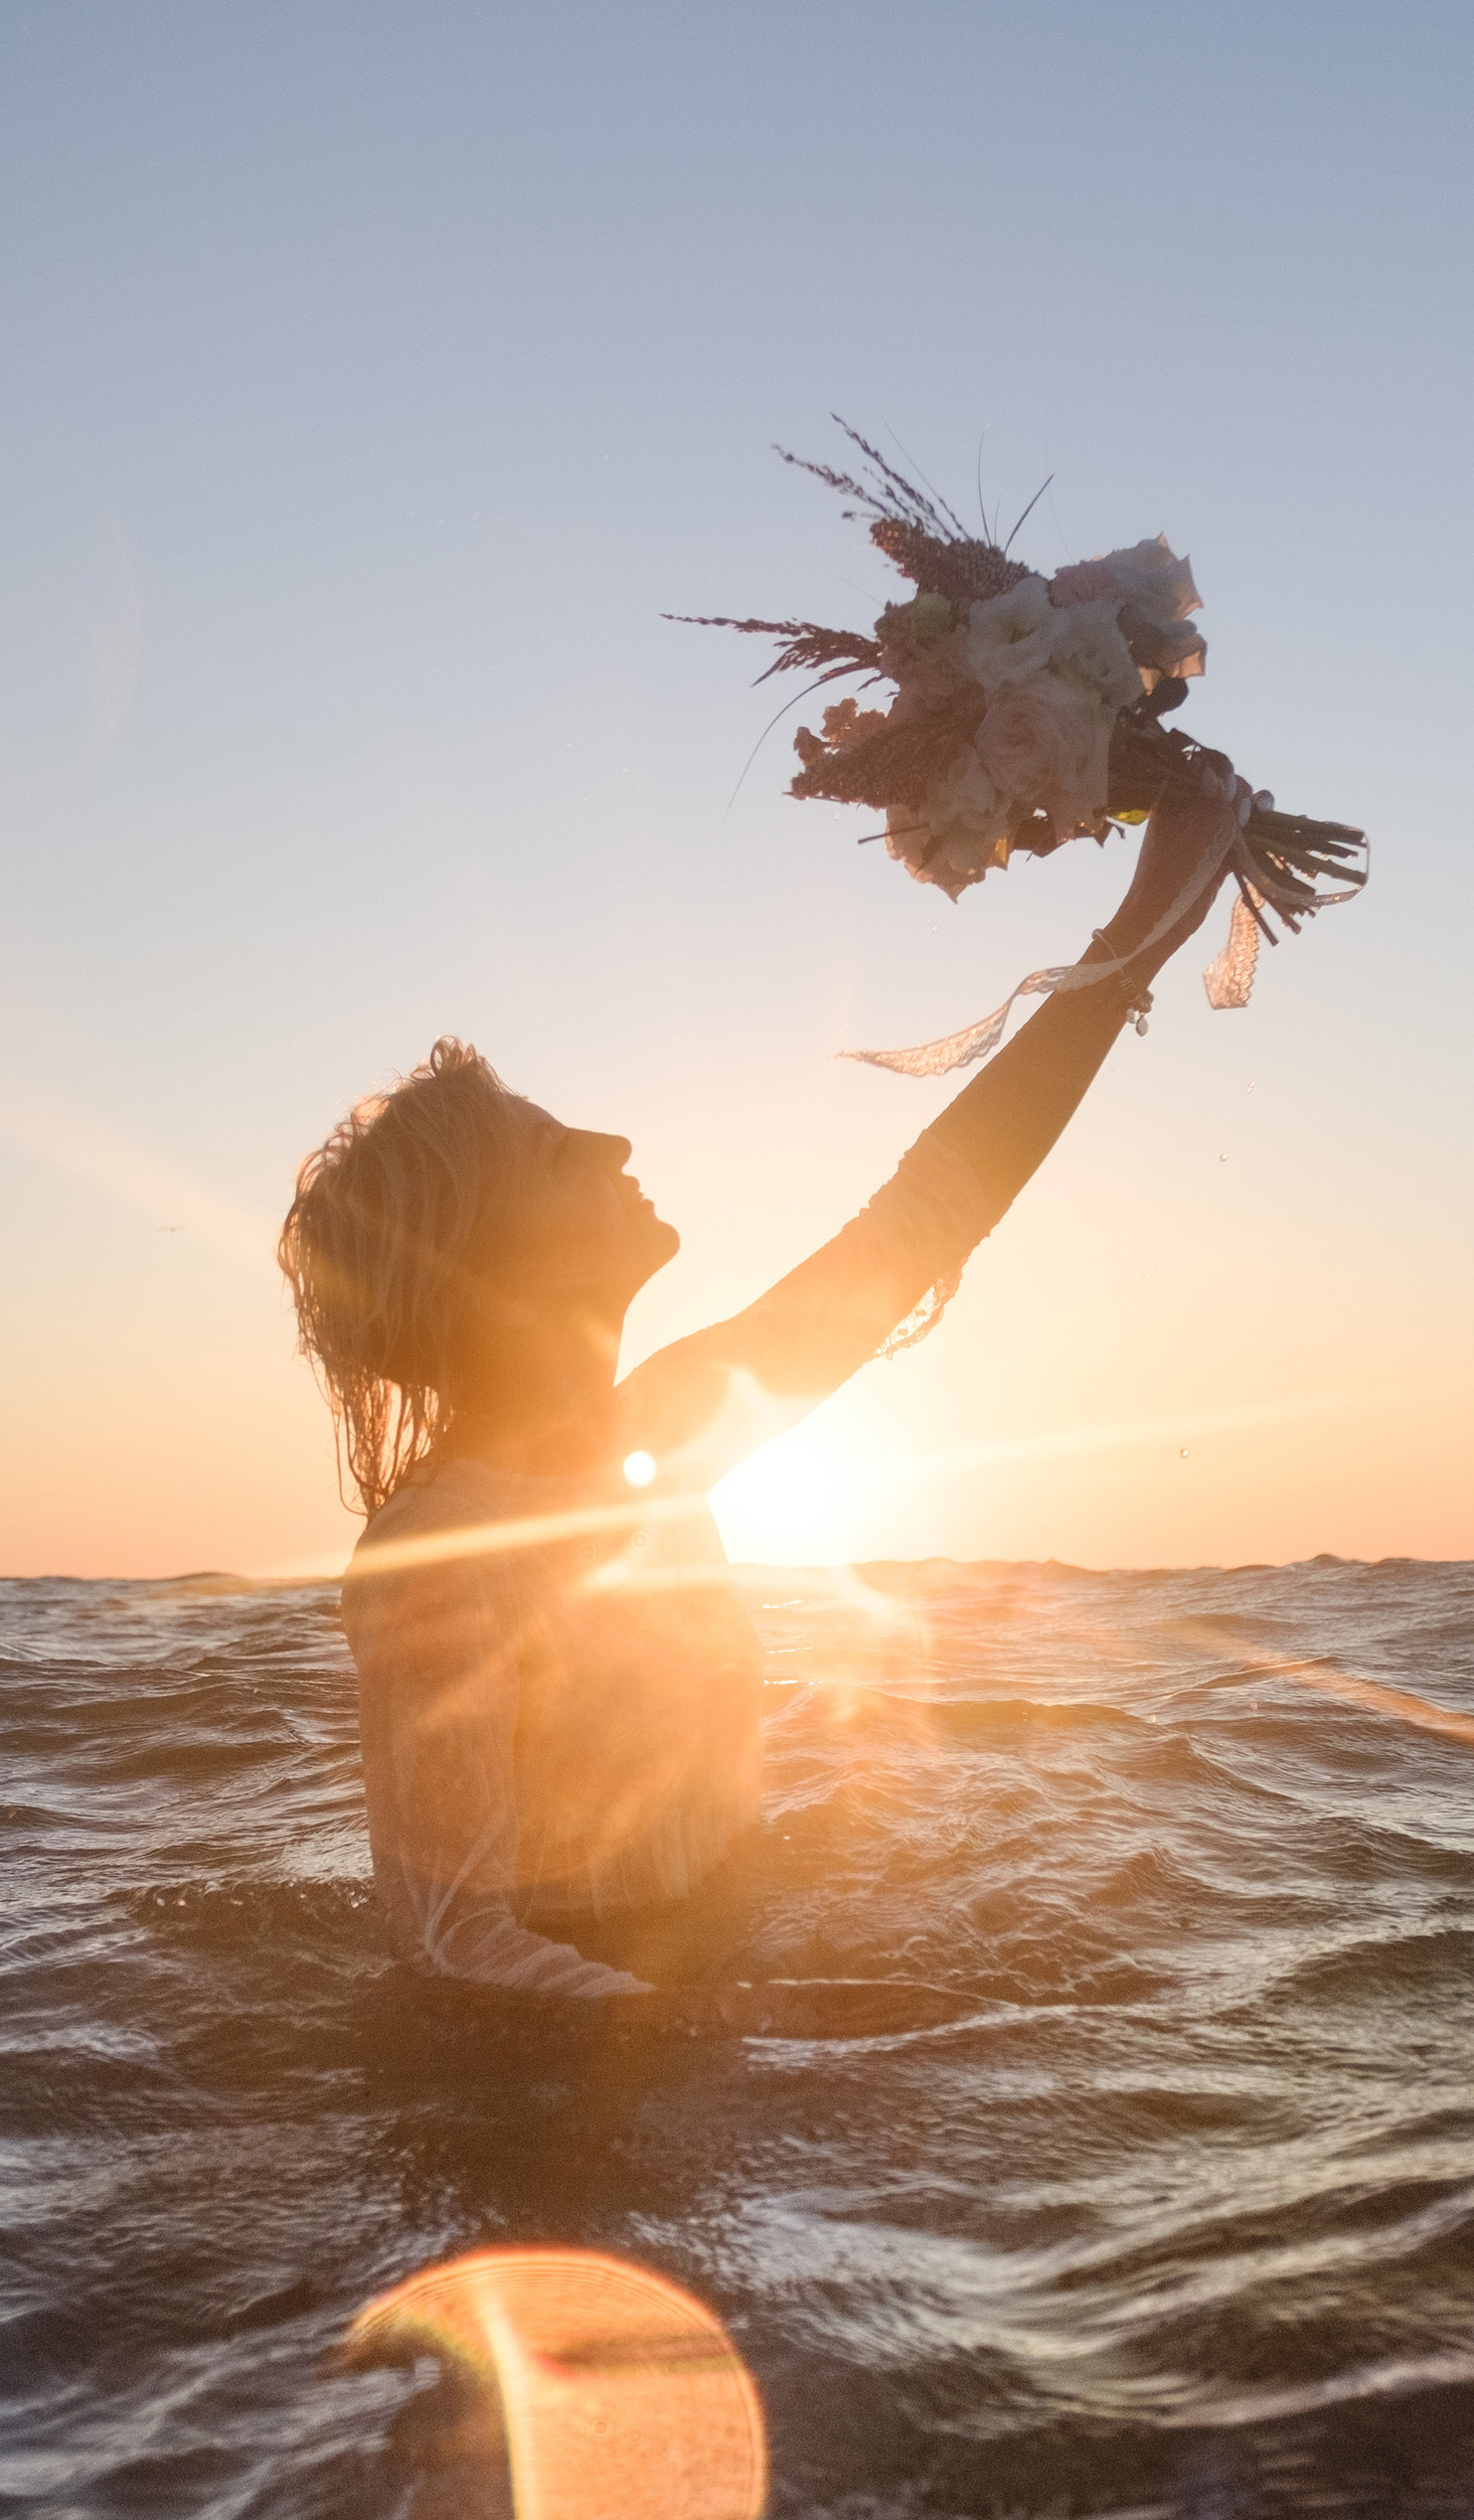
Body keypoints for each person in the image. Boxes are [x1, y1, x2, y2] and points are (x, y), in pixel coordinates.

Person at [276, 780, 1246, 2024]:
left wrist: (1138, 934)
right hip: (538, 2121)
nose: (613, 1144)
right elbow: (450, 1944)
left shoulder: (659, 1437)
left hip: (685, 2025)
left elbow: (924, 1215)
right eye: (553, 1147)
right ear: (484, 1257)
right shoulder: (439, 1548)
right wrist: (760, 2039)